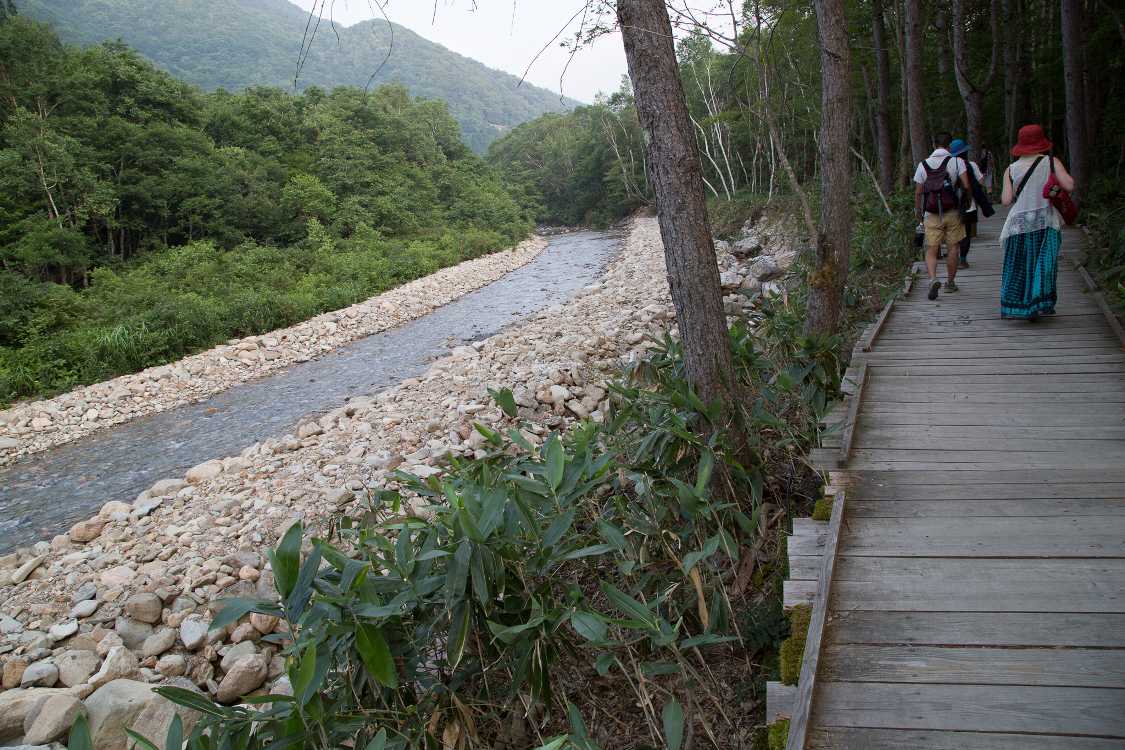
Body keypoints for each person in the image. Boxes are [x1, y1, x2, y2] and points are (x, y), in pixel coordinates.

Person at [999, 124, 1076, 321]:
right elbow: (1069, 185)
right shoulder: (1051, 162)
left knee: (1017, 266)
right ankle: (1039, 302)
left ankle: (1015, 306)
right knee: (1044, 263)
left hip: (1018, 224)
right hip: (1045, 222)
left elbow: (1006, 201)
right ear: (1041, 142)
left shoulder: (1011, 169)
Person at [914, 133, 972, 300]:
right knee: (953, 247)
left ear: (934, 145)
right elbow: (967, 185)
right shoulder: (957, 161)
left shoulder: (923, 164)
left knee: (931, 249)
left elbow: (918, 192)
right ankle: (950, 283)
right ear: (949, 146)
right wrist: (966, 203)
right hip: (952, 211)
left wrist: (918, 212)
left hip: (931, 213)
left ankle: (933, 279)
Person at [949, 138, 994, 269]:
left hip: (952, 206)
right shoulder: (971, 165)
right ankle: (963, 260)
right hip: (969, 205)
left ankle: (954, 257)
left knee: (954, 233)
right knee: (966, 234)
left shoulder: (948, 165)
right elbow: (980, 182)